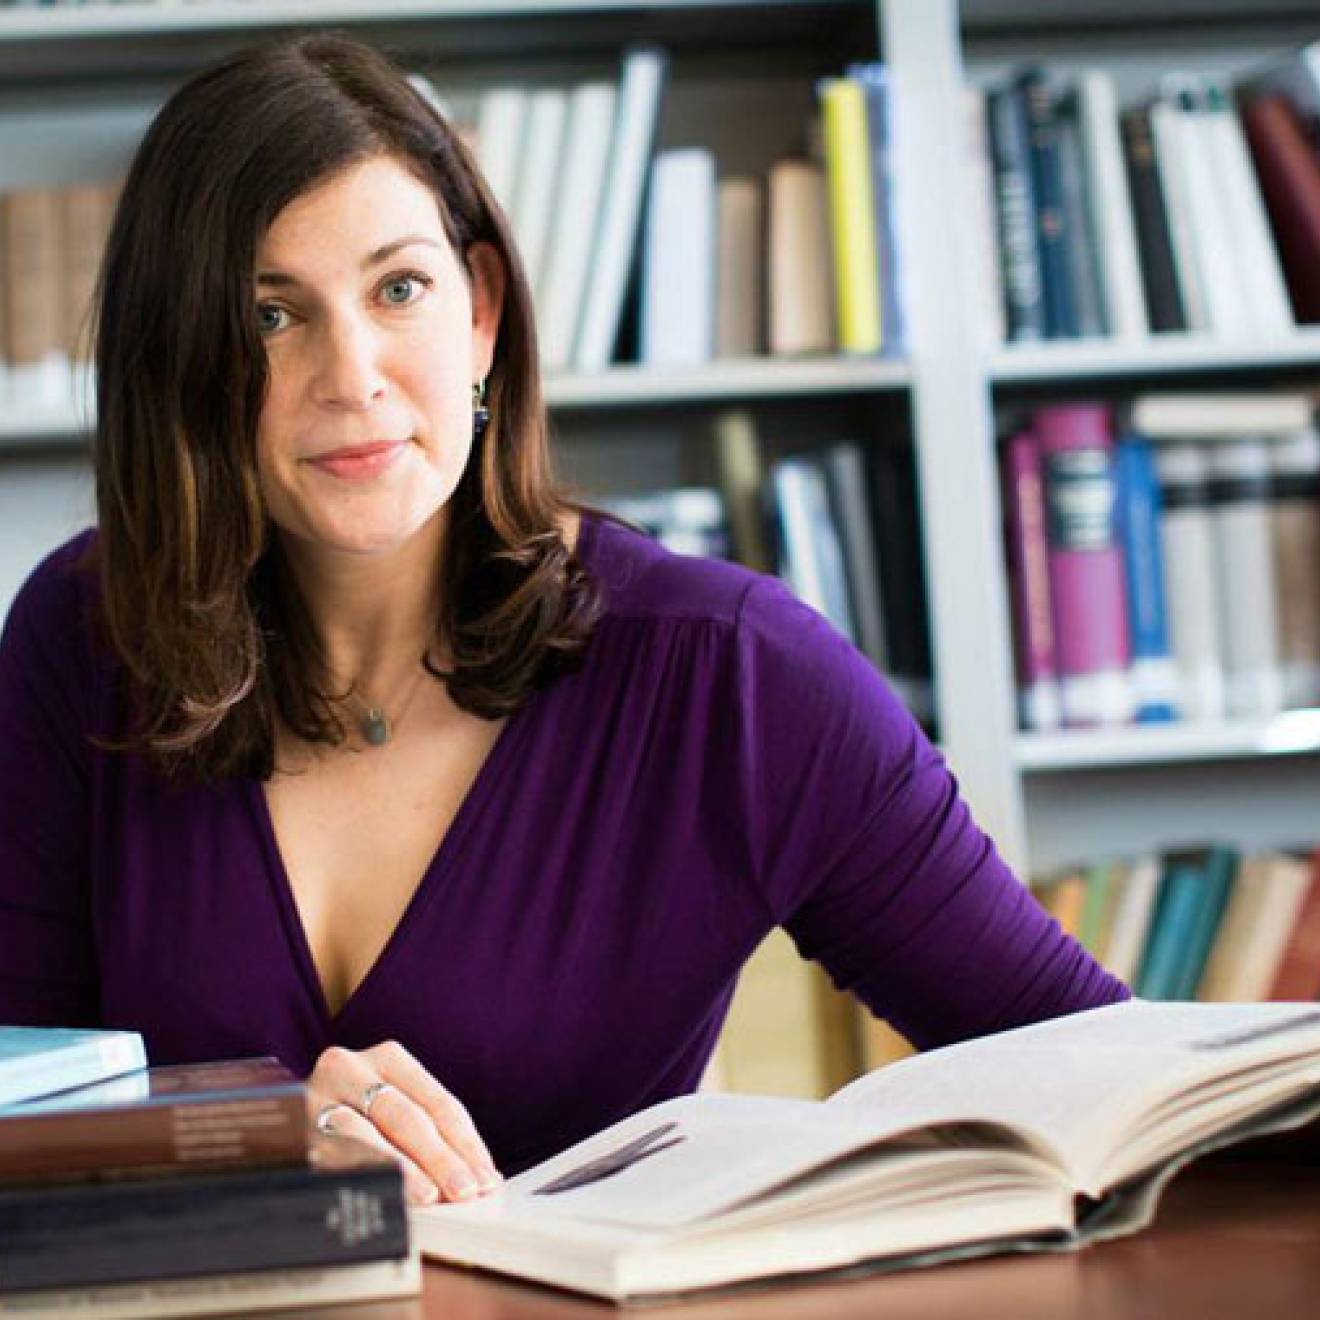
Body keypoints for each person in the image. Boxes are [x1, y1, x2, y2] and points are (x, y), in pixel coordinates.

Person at [0, 34, 1127, 1209]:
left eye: (399, 289)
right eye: (270, 317)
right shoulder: (84, 641)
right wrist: (252, 1140)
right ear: (179, 360)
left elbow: (1100, 1076)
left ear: (480, 311)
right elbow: (17, 1125)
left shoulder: (735, 674)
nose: (354, 375)